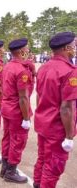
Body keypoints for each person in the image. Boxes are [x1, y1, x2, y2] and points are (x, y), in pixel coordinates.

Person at [33, 32, 77, 188]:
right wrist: (69, 135)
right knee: (53, 167)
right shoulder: (69, 71)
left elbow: (39, 96)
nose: (75, 48)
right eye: (74, 45)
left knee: (43, 159)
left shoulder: (44, 67)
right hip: (56, 127)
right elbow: (67, 108)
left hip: (43, 122)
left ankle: (37, 184)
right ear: (67, 48)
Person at [0, 38, 33, 183]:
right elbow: (23, 98)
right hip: (16, 110)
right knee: (18, 140)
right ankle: (11, 172)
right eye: (27, 49)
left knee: (7, 138)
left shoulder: (8, 66)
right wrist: (26, 118)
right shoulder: (21, 70)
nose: (28, 51)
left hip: (7, 107)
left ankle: (5, 168)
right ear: (21, 51)